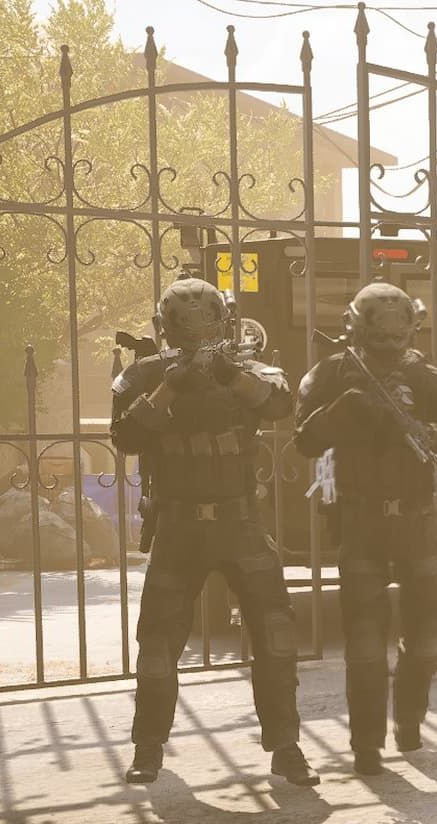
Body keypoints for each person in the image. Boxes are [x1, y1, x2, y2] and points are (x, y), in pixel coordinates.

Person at [110, 277, 319, 787]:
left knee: (275, 634)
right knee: (158, 643)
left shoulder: (246, 369)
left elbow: (280, 404)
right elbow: (127, 436)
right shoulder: (146, 375)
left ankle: (286, 746)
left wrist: (229, 375)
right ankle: (149, 746)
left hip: (238, 521)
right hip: (179, 526)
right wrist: (171, 385)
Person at [295, 281, 437, 773]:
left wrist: (436, 433)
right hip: (360, 519)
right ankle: (366, 743)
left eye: (396, 339)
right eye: (378, 339)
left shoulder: (427, 378)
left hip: (418, 518)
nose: (388, 350)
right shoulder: (332, 375)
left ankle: (409, 717)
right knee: (364, 642)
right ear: (357, 331)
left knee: (427, 638)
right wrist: (345, 408)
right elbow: (304, 439)